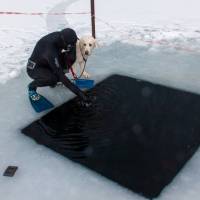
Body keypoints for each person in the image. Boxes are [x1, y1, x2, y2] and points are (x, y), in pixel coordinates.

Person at [27, 28, 91, 110]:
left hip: (48, 62)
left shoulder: (62, 36)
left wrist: (72, 51)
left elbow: (71, 49)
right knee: (53, 79)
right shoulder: (50, 50)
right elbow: (60, 74)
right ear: (64, 42)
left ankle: (57, 79)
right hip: (35, 69)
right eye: (69, 45)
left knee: (71, 56)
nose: (71, 46)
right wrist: (81, 95)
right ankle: (31, 87)